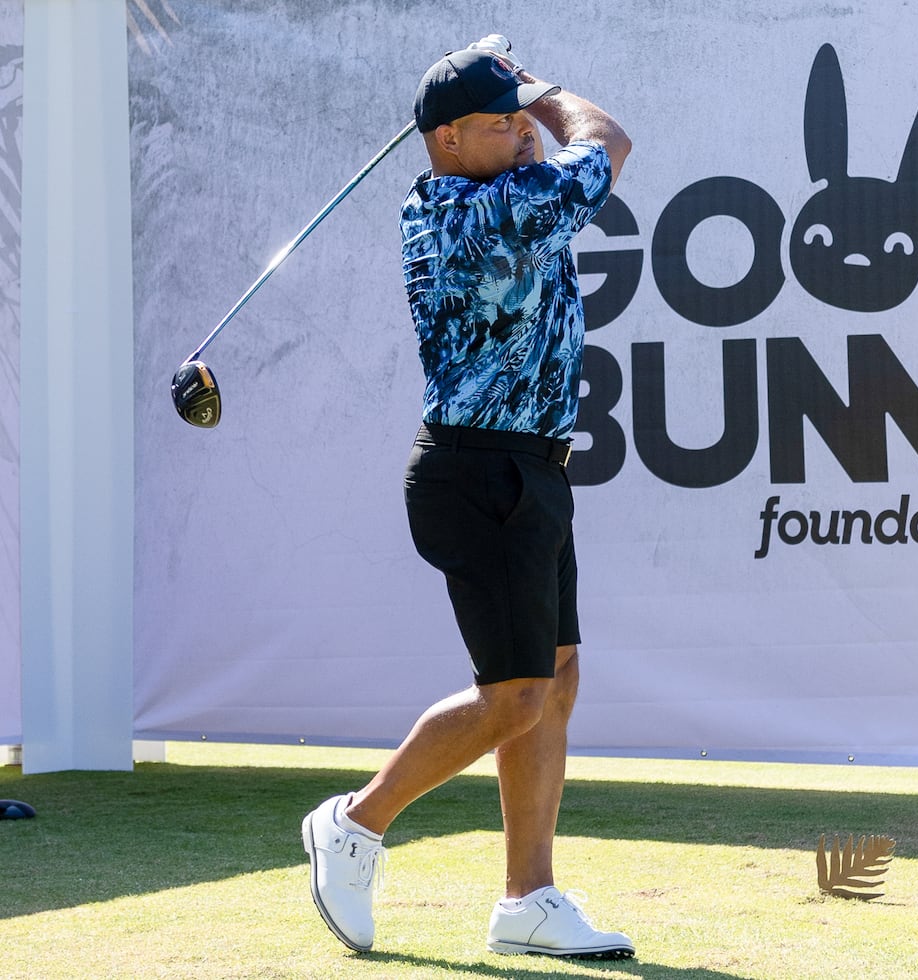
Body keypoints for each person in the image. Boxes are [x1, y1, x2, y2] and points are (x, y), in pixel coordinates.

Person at [302, 35, 632, 960]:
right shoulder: (476, 212)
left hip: (532, 468)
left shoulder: (498, 189)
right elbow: (607, 142)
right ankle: (355, 825)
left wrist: (515, 108)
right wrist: (547, 90)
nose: (521, 129)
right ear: (446, 140)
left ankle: (528, 899)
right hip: (475, 471)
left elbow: (567, 154)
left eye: (520, 117)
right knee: (517, 696)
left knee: (555, 681)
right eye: (499, 122)